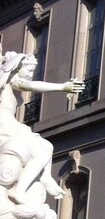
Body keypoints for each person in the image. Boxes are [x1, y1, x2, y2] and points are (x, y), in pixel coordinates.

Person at [0, 50, 83, 205]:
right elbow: (32, 85)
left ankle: (45, 177)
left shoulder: (11, 84)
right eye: (29, 71)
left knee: (47, 146)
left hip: (9, 122)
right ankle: (17, 190)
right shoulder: (13, 80)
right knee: (40, 155)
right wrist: (62, 87)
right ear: (16, 68)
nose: (30, 75)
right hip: (4, 122)